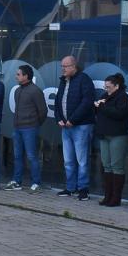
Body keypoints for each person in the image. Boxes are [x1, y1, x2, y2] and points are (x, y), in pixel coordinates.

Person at [53, 55, 96, 200]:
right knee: (68, 160)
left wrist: (73, 119)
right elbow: (58, 101)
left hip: (81, 126)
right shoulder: (63, 81)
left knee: (82, 160)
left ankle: (83, 189)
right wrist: (59, 118)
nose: (63, 69)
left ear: (73, 66)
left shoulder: (84, 80)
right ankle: (70, 187)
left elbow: (87, 102)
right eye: (62, 66)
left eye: (65, 66)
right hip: (65, 127)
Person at [4, 65, 46, 193]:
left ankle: (36, 183)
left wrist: (34, 123)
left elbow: (43, 111)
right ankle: (17, 182)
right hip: (17, 128)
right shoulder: (17, 90)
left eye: (18, 74)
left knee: (32, 156)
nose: (16, 76)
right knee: (17, 156)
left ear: (26, 76)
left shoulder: (35, 91)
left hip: (30, 128)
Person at [94, 73, 128, 207]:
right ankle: (107, 195)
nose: (106, 89)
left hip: (117, 135)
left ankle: (116, 198)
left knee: (117, 166)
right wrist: (96, 107)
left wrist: (102, 107)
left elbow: (119, 114)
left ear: (117, 86)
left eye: (108, 87)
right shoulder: (105, 96)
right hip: (104, 135)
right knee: (107, 165)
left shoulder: (123, 97)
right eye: (105, 87)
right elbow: (100, 112)